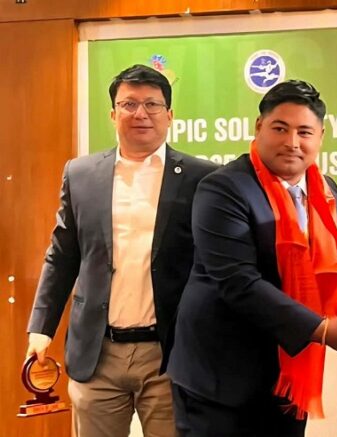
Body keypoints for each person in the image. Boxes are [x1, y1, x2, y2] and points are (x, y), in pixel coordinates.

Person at [167, 80, 337, 436]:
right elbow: (238, 282)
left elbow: (335, 258)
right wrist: (322, 330)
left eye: (304, 132)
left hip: (287, 373)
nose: (292, 142)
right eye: (280, 128)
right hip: (220, 377)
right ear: (259, 127)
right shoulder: (223, 189)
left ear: (320, 137)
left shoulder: (325, 190)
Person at [25, 64, 218, 436]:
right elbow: (62, 255)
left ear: (170, 115)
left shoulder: (203, 178)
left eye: (152, 104)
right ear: (113, 114)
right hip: (97, 353)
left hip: (170, 353)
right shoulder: (81, 174)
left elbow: (215, 266)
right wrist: (41, 328)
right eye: (129, 104)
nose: (140, 113)